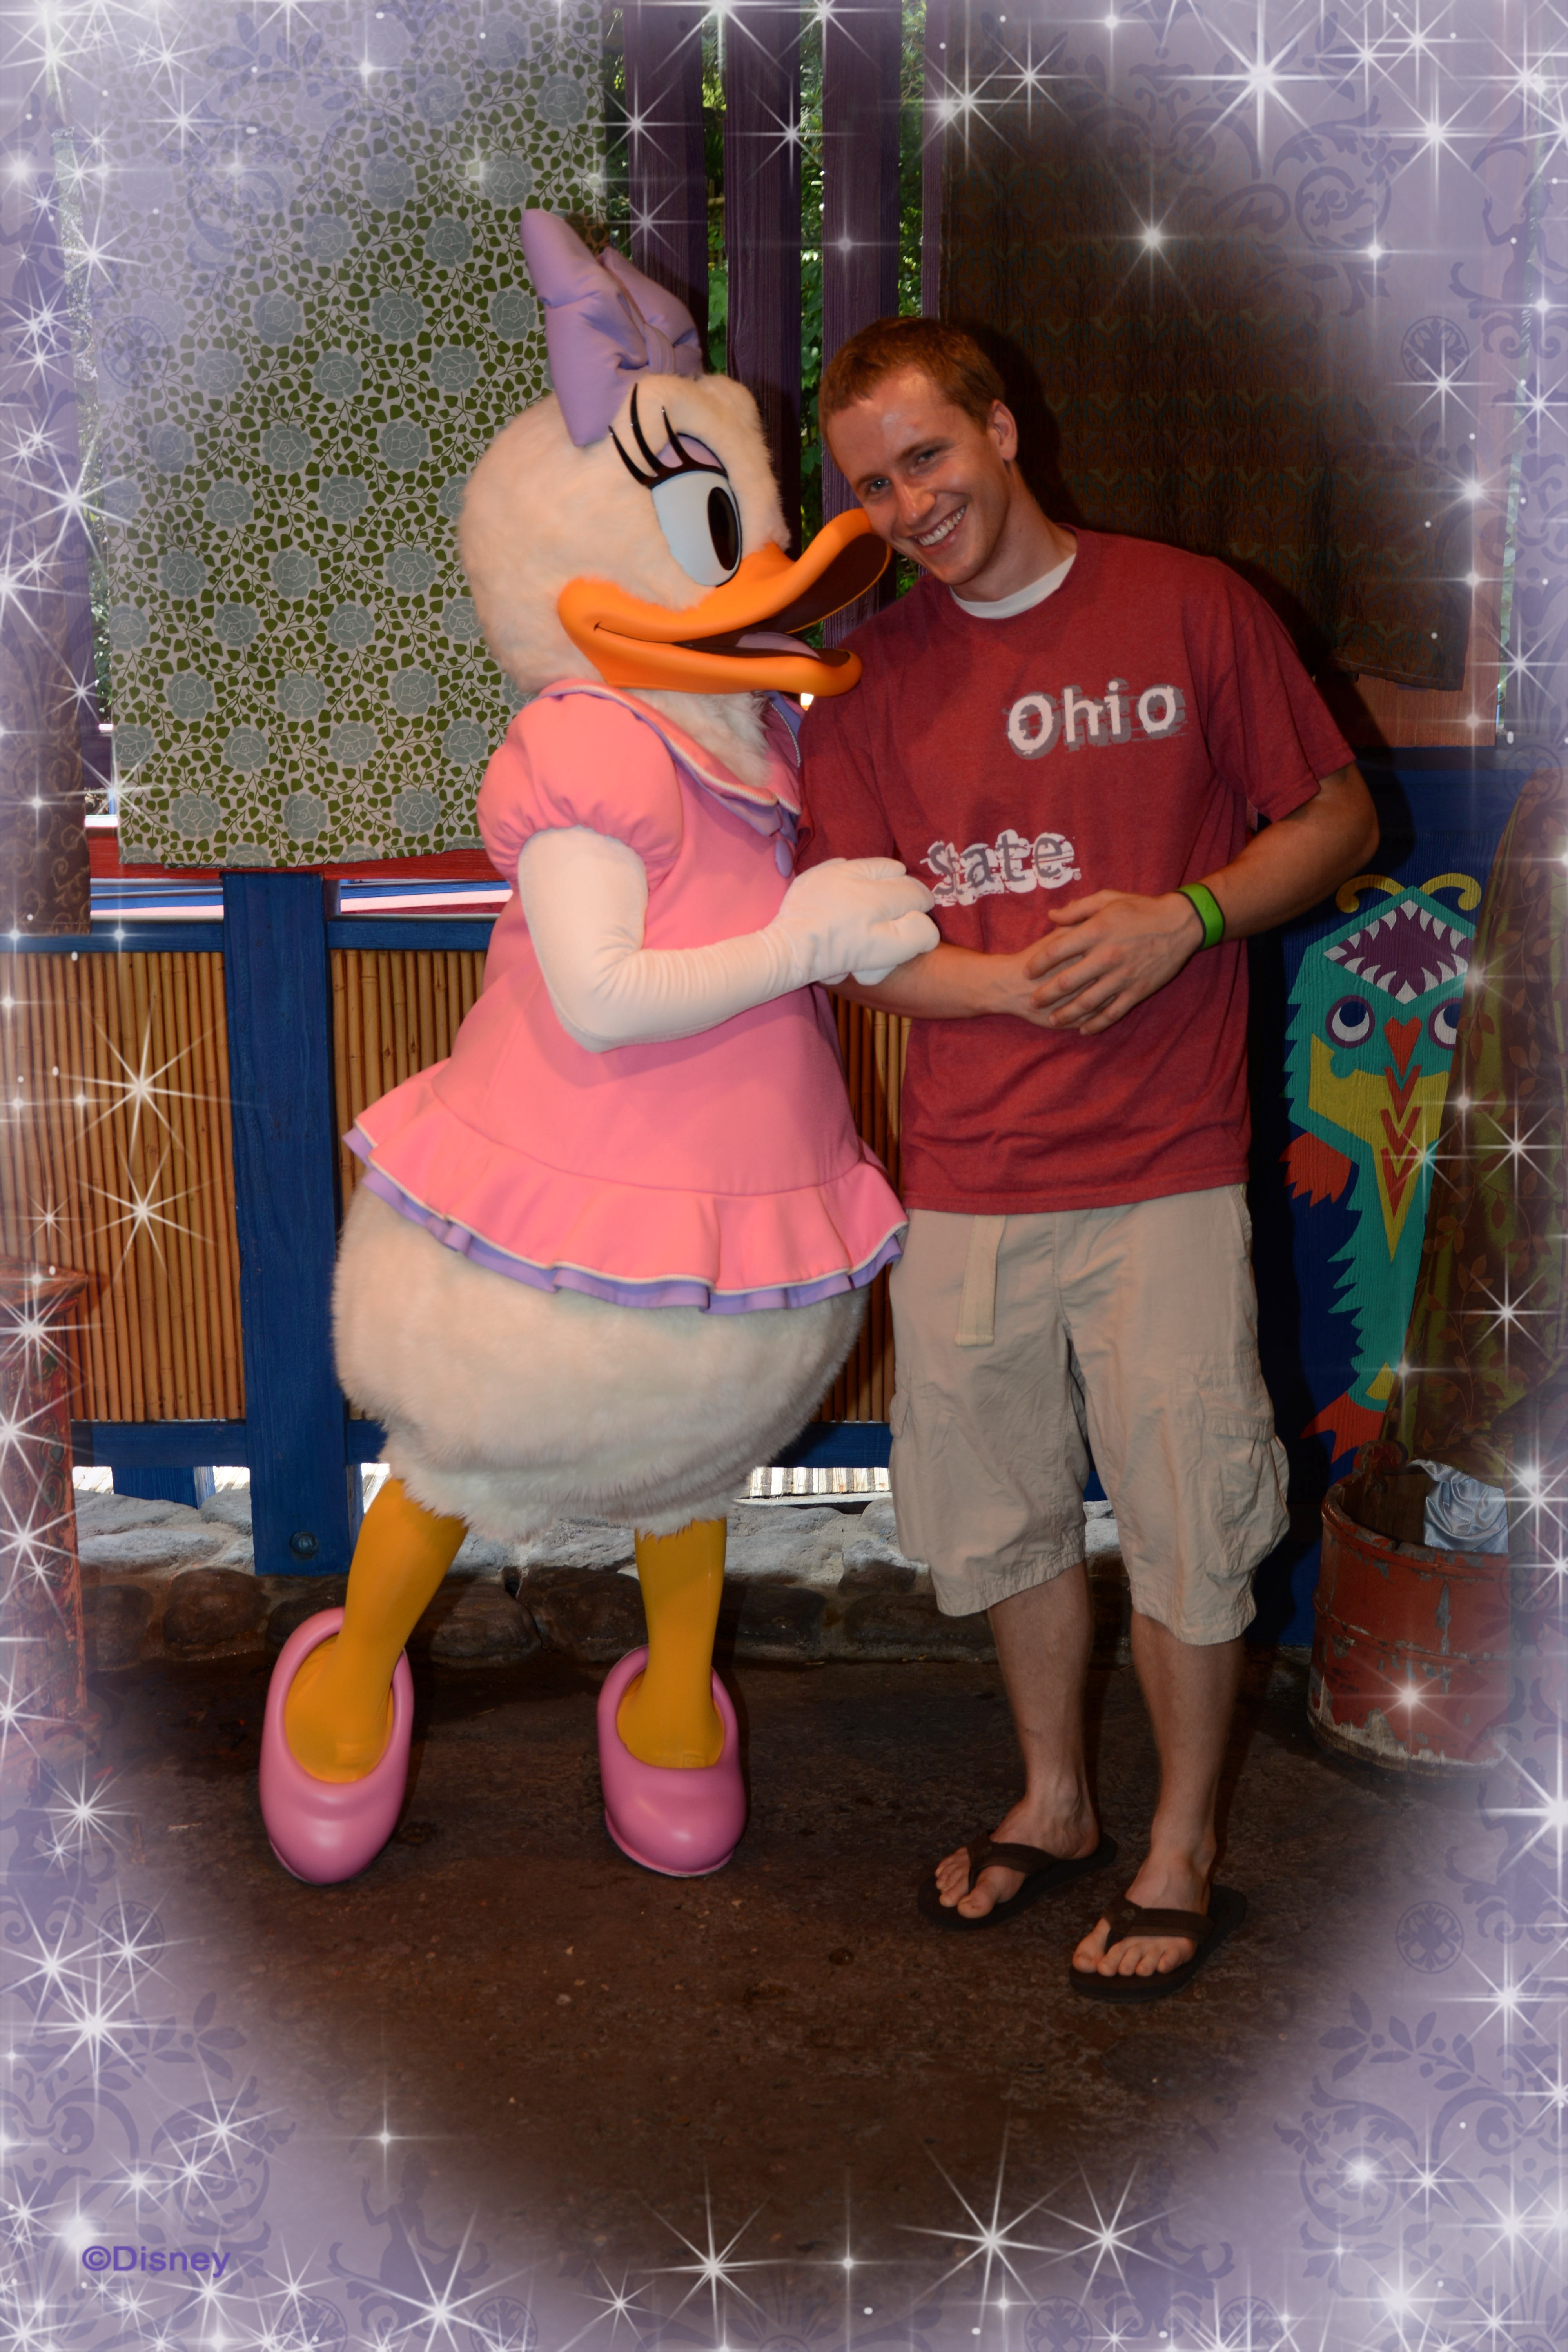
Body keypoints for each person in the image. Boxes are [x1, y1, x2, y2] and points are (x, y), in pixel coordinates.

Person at [799, 318, 1380, 1998]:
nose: (909, 504)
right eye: (871, 486)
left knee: (1194, 1515)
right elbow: (857, 945)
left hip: (1166, 1167)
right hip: (967, 1172)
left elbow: (1336, 816)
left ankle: (1180, 1847)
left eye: (926, 456)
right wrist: (1009, 985)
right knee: (1006, 1517)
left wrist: (1183, 919)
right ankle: (1054, 1801)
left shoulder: (1189, 606)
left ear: (1002, 427)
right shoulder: (867, 682)